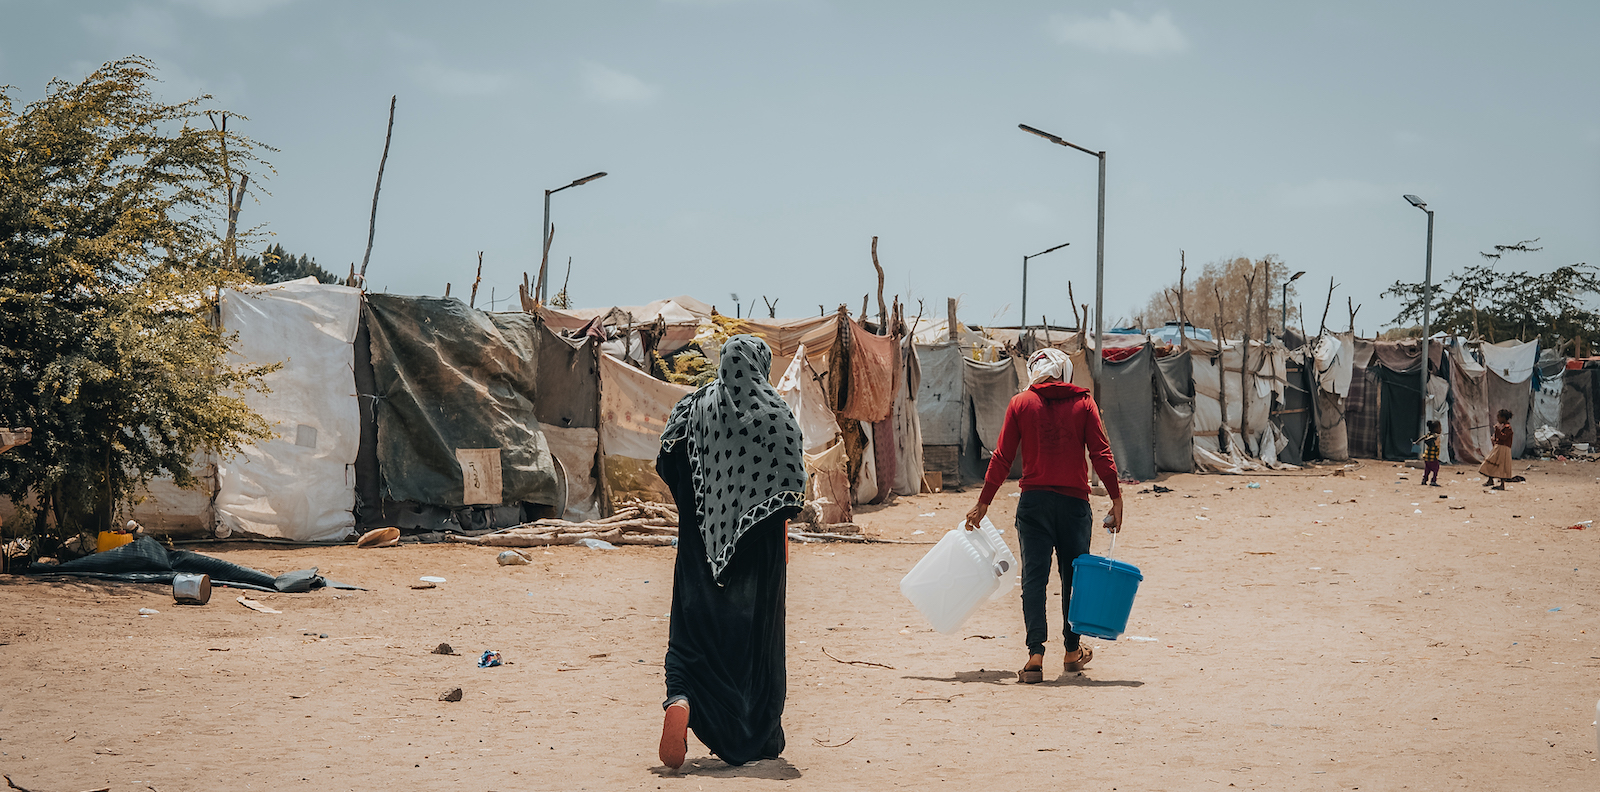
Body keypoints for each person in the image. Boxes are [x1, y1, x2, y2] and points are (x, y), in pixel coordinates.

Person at [655, 335, 807, 770]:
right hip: (758, 561)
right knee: (754, 645)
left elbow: (666, 462)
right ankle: (755, 734)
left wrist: (705, 504)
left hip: (697, 551)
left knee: (691, 635)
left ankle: (681, 697)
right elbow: (792, 490)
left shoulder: (690, 410)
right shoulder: (776, 417)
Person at [964, 348, 1123, 684]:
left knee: (1034, 581)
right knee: (1073, 580)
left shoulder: (1020, 404)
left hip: (1033, 505)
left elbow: (1002, 457)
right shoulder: (1084, 404)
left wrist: (984, 502)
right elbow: (1100, 452)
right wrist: (1115, 497)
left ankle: (1035, 655)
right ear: (1064, 371)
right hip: (1074, 506)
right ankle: (1071, 651)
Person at [1479, 408, 1515, 490]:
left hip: (1504, 449)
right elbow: (1498, 437)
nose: (1497, 419)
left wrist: (1497, 430)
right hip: (1498, 447)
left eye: (1499, 417)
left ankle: (1502, 484)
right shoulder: (1502, 427)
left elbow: (1504, 437)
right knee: (1490, 462)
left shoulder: (1508, 428)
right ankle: (1490, 479)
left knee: (1502, 466)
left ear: (1503, 418)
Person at [1416, 420, 1442, 487]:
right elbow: (1429, 438)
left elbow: (1423, 437)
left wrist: (1416, 442)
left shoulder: (1428, 434)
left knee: (1427, 469)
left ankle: (1424, 480)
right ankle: (1433, 481)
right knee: (1436, 469)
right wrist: (1429, 439)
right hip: (1433, 457)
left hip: (1427, 456)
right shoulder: (1435, 436)